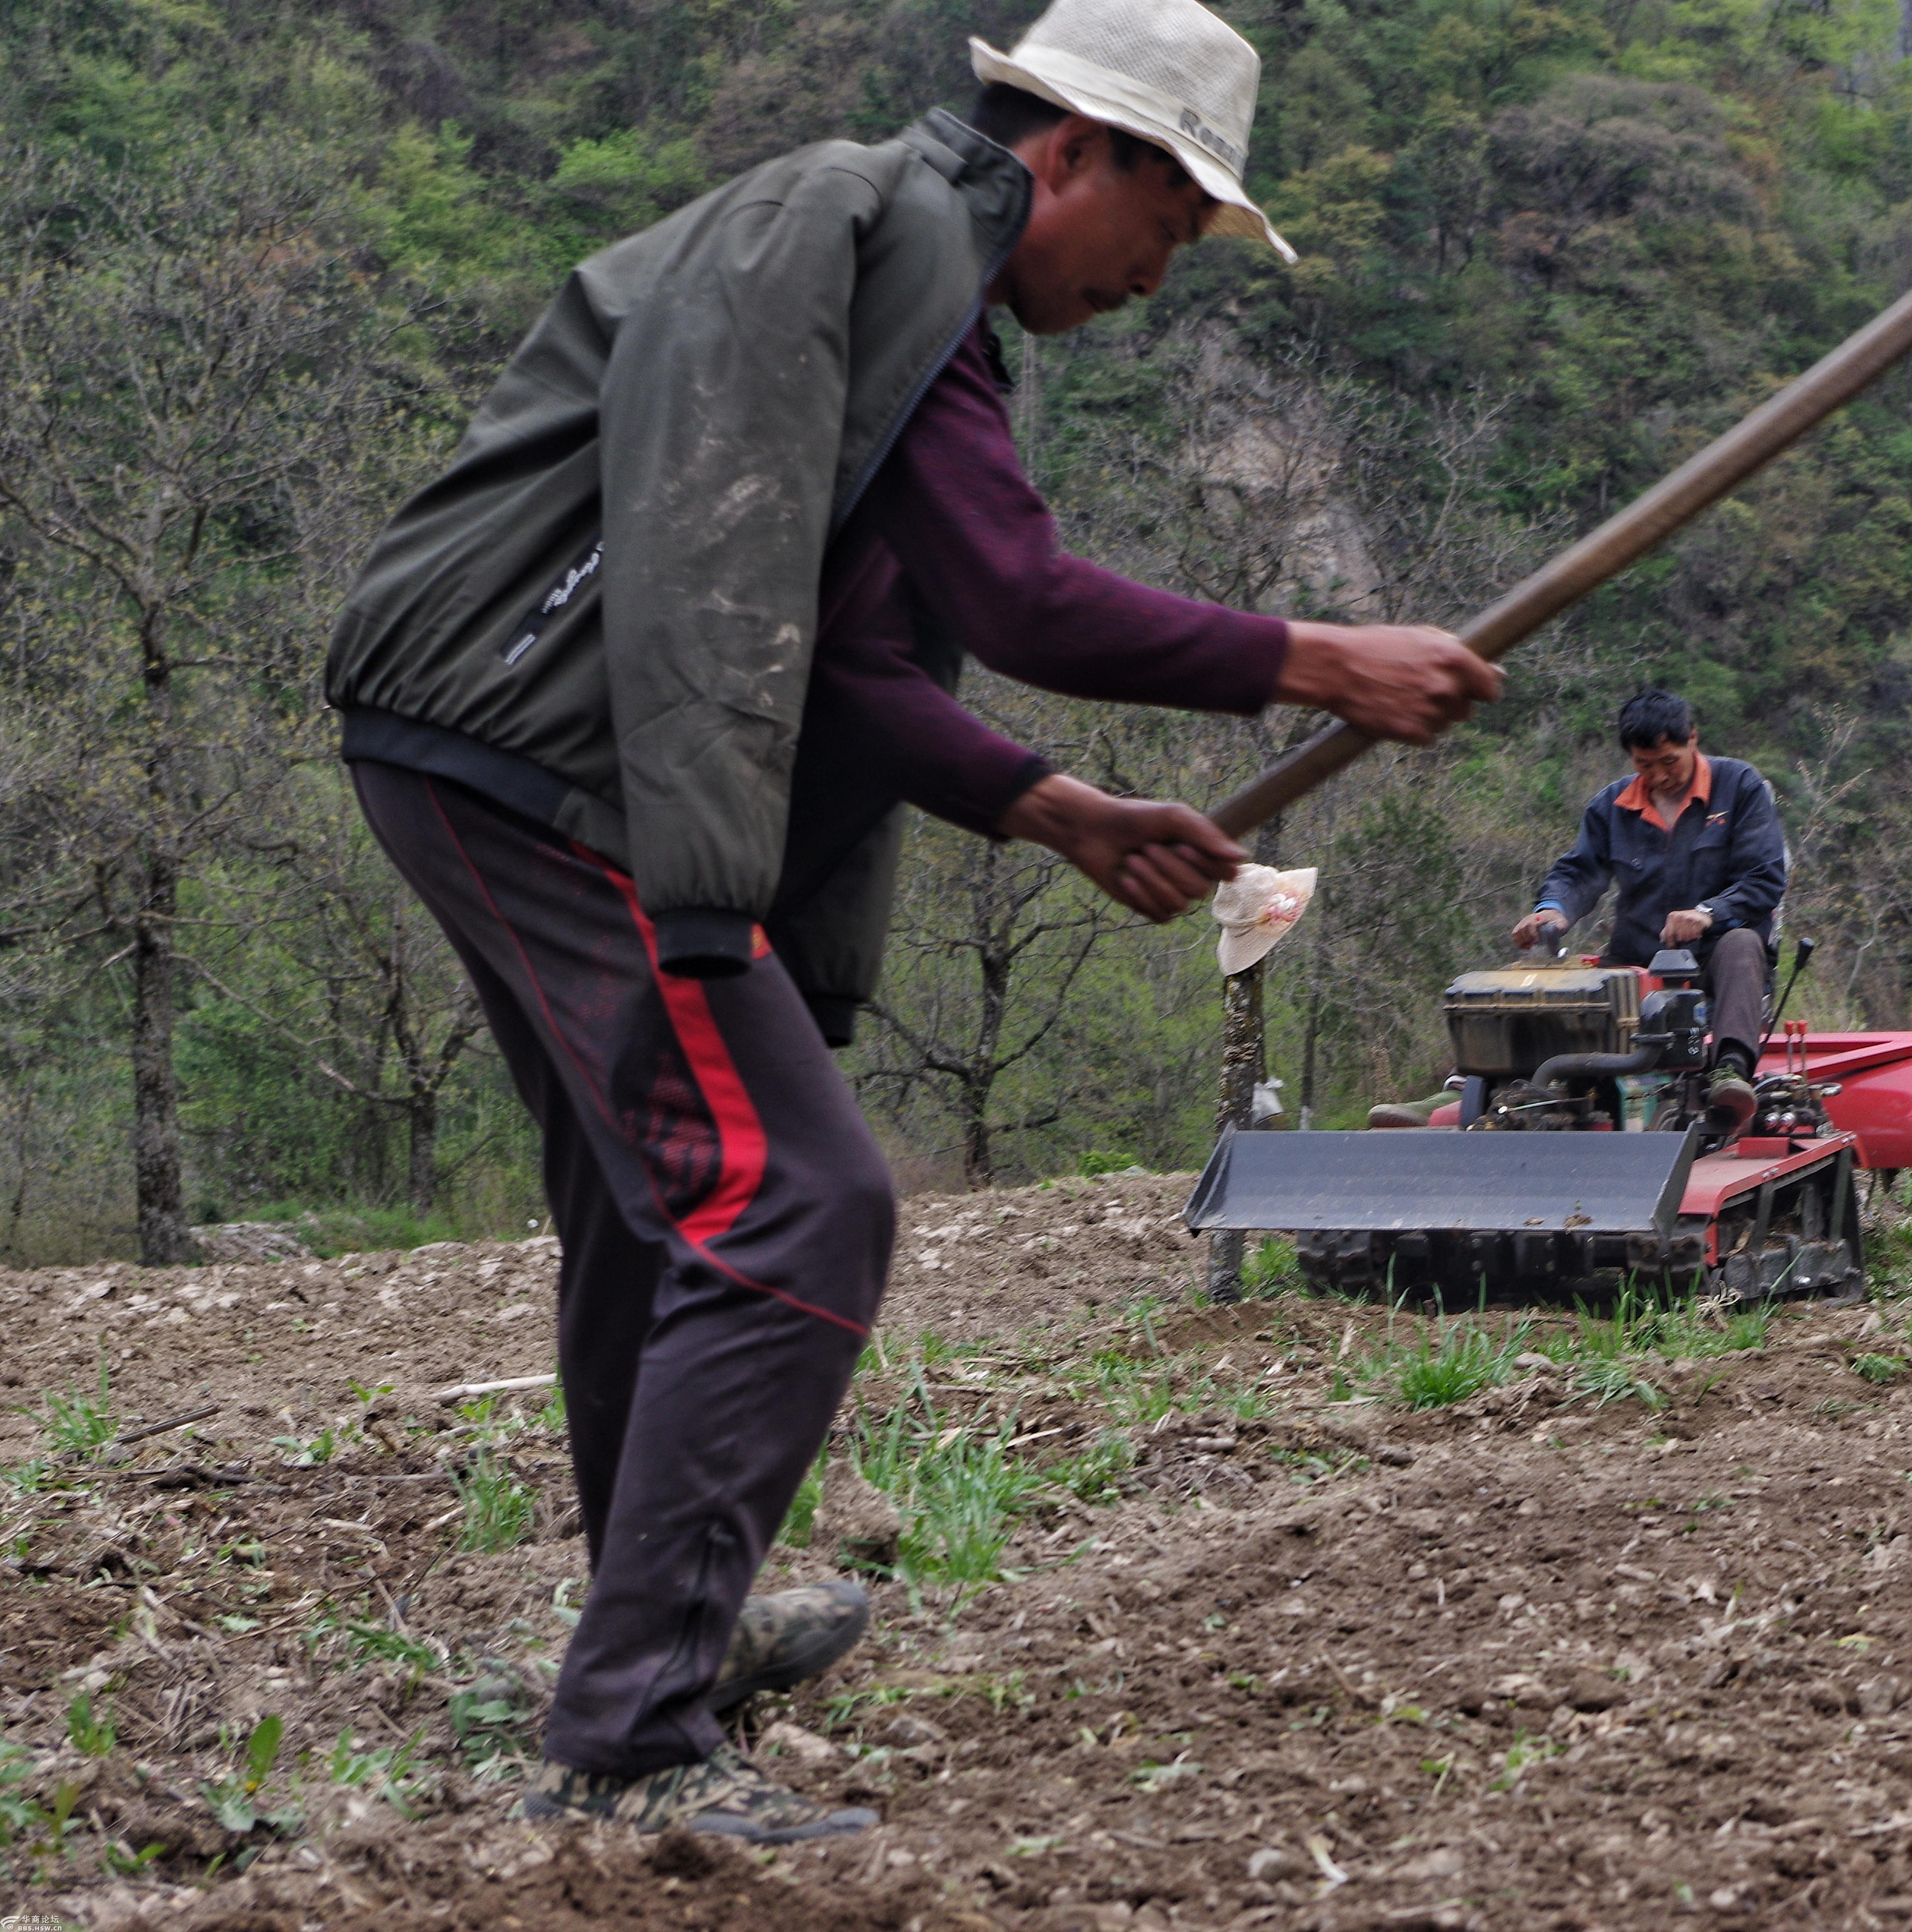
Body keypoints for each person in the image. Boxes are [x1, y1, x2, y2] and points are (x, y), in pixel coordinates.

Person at [324, 0, 1498, 1845]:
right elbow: (1014, 597)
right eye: (1170, 230)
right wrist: (1313, 655)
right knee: (798, 1195)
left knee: (663, 1209)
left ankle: (664, 1635)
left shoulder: (899, 281)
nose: (1151, 277)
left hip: (500, 740)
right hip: (548, 753)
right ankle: (629, 1739)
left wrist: (1045, 803)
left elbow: (855, 652)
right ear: (1077, 152)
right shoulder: (869, 240)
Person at [1509, 691, 1787, 1094]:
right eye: (1644, 765)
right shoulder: (1612, 806)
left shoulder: (1740, 787)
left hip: (1714, 958)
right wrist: (1552, 911)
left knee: (1743, 944)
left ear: (1693, 738)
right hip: (1637, 959)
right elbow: (1578, 872)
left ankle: (1730, 1074)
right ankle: (1487, 1084)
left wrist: (1708, 912)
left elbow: (1765, 879)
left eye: (1669, 761)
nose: (1658, 777)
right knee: (1560, 987)